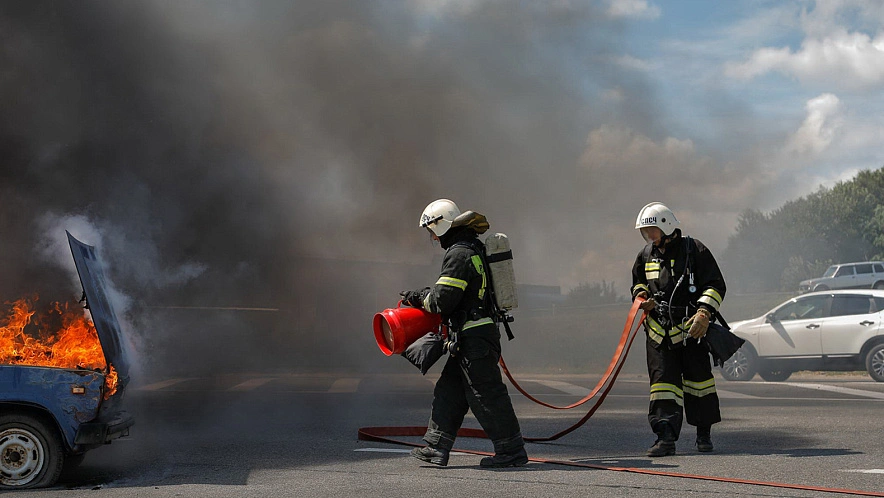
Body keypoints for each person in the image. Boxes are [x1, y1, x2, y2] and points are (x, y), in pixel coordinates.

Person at [401, 199, 528, 468]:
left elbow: (442, 301)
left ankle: (511, 451)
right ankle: (436, 447)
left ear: (441, 225)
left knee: (486, 395)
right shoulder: (474, 248)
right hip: (470, 337)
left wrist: (418, 297)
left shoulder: (459, 254)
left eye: (431, 232)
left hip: (474, 339)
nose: (433, 238)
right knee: (449, 391)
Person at [630, 202, 726, 456]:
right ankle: (665, 439)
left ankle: (703, 434)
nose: (649, 237)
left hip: (691, 330)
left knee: (699, 383)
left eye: (652, 232)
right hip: (658, 331)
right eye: (645, 233)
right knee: (662, 385)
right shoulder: (645, 255)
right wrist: (642, 298)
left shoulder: (695, 250)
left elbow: (716, 285)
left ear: (666, 226)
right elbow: (637, 284)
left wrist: (704, 313)